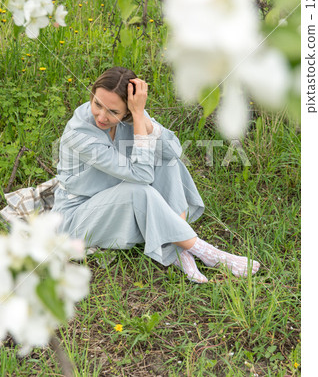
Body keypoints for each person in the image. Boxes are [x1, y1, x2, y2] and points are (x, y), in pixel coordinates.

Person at [52, 66, 260, 283]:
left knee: (165, 160)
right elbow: (140, 176)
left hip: (113, 195)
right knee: (138, 190)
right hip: (77, 218)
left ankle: (177, 248)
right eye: (97, 104)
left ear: (128, 110)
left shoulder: (133, 114)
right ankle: (210, 254)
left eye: (113, 112)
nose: (102, 116)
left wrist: (141, 118)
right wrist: (138, 119)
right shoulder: (79, 134)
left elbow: (172, 152)